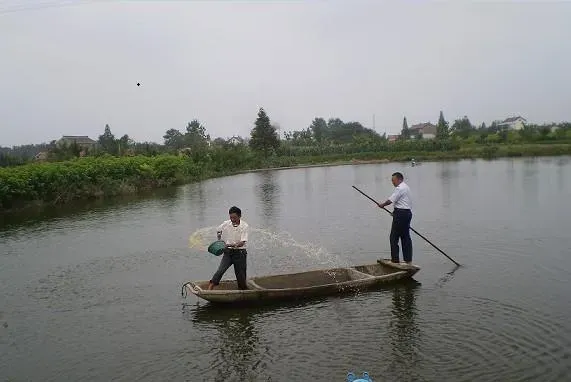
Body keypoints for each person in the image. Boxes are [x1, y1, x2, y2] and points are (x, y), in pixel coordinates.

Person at [208, 206, 249, 290]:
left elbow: (242, 243)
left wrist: (230, 245)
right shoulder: (227, 223)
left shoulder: (244, 226)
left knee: (240, 276)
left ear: (239, 216)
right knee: (220, 270)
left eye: (235, 217)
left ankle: (243, 291)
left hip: (240, 254)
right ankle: (210, 288)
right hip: (228, 253)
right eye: (231, 217)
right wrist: (219, 238)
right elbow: (219, 229)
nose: (232, 219)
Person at [377, 172, 413, 264]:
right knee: (405, 237)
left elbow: (391, 200)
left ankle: (395, 260)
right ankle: (408, 260)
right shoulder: (406, 187)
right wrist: (395, 212)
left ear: (400, 179)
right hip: (406, 213)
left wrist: (383, 205)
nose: (392, 182)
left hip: (401, 214)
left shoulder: (400, 188)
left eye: (393, 180)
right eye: (392, 180)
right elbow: (403, 203)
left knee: (394, 237)